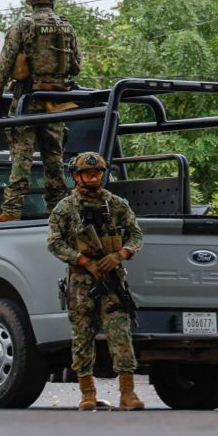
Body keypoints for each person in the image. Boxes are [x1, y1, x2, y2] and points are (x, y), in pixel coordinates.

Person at [46, 152, 145, 411]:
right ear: (77, 176)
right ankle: (87, 393)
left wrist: (120, 254)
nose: (94, 178)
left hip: (112, 279)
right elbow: (54, 242)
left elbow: (136, 235)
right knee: (82, 336)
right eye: (89, 174)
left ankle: (128, 393)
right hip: (81, 281)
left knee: (120, 334)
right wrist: (82, 260)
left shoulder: (117, 204)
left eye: (98, 173)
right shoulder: (65, 208)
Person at [0, 0, 82, 222]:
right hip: (56, 102)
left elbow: (6, 61)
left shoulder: (23, 25)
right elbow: (76, 66)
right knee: (54, 159)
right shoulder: (66, 27)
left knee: (22, 158)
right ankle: (58, 211)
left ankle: (11, 210)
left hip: (27, 101)